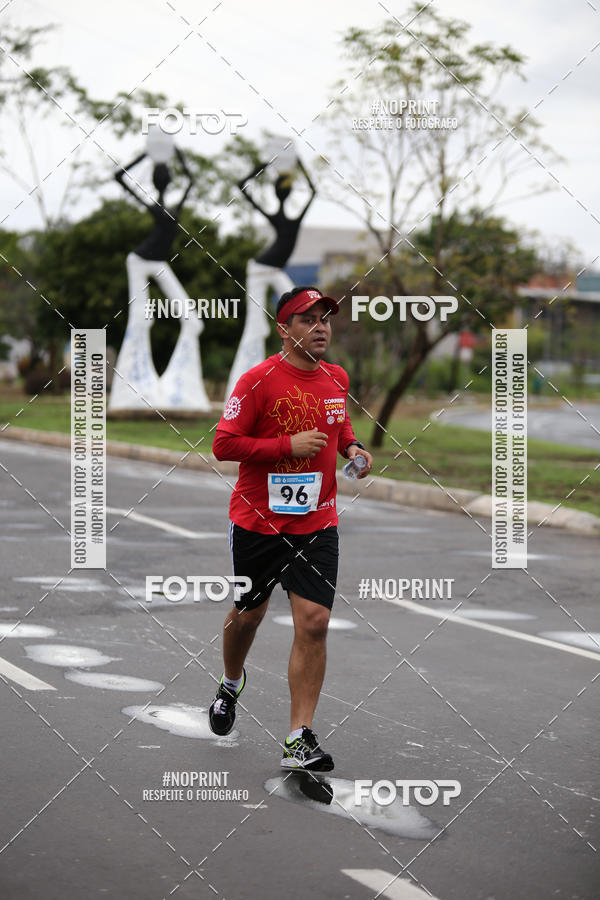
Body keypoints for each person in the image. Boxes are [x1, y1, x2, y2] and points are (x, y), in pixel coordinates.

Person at [209, 285, 373, 771]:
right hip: (259, 523)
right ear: (285, 329)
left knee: (315, 623)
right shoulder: (256, 381)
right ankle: (231, 681)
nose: (321, 326)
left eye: (325, 318)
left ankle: (298, 737)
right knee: (249, 615)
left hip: (317, 522)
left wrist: (353, 450)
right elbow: (223, 445)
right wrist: (285, 445)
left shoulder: (336, 377)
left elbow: (339, 427)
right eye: (308, 319)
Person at [224, 157, 316, 400]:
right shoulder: (281, 217)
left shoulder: (289, 218)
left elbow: (314, 191)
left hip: (274, 271)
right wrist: (265, 164)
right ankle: (240, 392)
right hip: (258, 270)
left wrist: (295, 163)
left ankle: (298, 376)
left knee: (303, 310)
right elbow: (242, 187)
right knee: (256, 328)